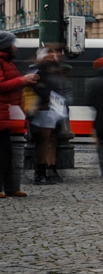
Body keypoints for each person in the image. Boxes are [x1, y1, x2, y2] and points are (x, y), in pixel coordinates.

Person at [0, 32, 37, 198]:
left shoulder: (8, 62)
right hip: (2, 115)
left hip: (9, 114)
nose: (16, 47)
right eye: (13, 44)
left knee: (8, 155)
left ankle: (10, 188)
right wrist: (22, 80)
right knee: (2, 153)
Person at [28, 46, 71, 185]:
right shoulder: (39, 69)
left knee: (52, 139)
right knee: (44, 141)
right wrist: (46, 97)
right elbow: (34, 87)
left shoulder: (56, 70)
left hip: (54, 108)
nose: (54, 55)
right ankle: (40, 173)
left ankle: (50, 168)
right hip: (43, 108)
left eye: (55, 52)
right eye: (50, 53)